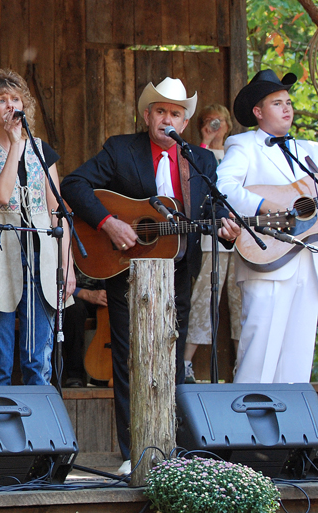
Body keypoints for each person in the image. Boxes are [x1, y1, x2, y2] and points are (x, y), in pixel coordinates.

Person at [61, 77, 240, 471]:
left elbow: (209, 212)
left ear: (185, 120)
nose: (167, 118)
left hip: (179, 270)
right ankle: (133, 452)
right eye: (161, 111)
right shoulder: (121, 149)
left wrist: (225, 229)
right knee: (128, 356)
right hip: (126, 267)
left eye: (176, 113)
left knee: (172, 355)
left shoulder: (201, 160)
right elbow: (73, 183)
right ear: (147, 115)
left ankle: (171, 447)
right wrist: (109, 222)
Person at [0, 69, 75, 388]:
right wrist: (15, 144)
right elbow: (0, 195)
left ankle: (38, 434)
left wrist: (66, 266)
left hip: (43, 255)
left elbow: (57, 211)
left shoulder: (42, 150)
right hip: (2, 254)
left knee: (38, 362)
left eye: (16, 99)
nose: (10, 105)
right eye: (2, 100)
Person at [216, 69, 318, 384]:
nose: (287, 108)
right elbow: (225, 187)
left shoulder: (310, 151)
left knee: (297, 362)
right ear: (258, 112)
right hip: (267, 257)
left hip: (309, 259)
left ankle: (291, 430)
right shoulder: (243, 144)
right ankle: (246, 431)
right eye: (277, 103)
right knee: (258, 358)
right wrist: (267, 206)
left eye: (288, 102)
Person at [184, 104, 240, 383]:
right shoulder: (197, 154)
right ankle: (184, 363)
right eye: (208, 122)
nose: (215, 126)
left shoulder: (238, 153)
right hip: (209, 238)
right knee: (203, 299)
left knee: (241, 300)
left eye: (219, 122)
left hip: (240, 238)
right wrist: (205, 139)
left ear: (228, 125)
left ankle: (245, 364)